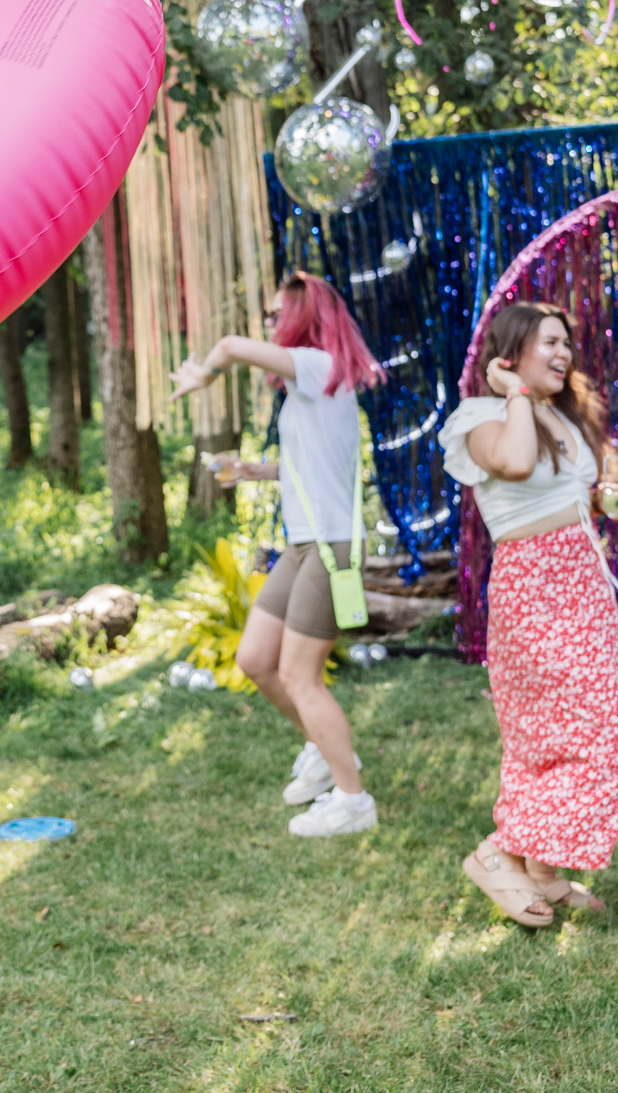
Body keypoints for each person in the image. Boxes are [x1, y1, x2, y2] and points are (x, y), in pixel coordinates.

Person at [438, 302, 618, 927]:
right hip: (534, 587)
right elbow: (517, 465)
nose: (564, 354)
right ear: (511, 353)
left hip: (584, 580)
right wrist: (513, 396)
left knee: (576, 733)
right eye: (549, 342)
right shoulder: (478, 417)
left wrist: (605, 499)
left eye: (566, 344)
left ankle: (542, 872)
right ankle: (498, 853)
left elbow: (570, 492)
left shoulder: (563, 415)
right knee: (583, 735)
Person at [170, 271, 385, 837]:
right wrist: (254, 471)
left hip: (331, 547)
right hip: (302, 543)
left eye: (274, 315)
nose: (266, 326)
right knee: (256, 660)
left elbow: (233, 348)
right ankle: (323, 748)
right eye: (265, 318)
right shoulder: (309, 386)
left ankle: (352, 800)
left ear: (303, 319)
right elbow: (315, 463)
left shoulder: (317, 366)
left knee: (300, 675)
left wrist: (203, 373)